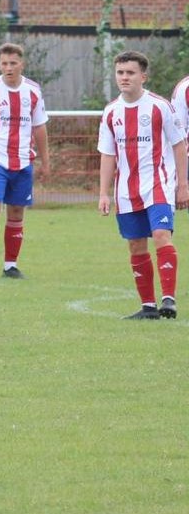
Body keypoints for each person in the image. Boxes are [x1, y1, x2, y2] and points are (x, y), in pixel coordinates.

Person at [97, 50, 188, 320]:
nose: (124, 77)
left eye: (130, 73)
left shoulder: (160, 107)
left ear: (143, 76)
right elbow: (107, 154)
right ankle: (148, 307)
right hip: (125, 191)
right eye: (120, 73)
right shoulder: (111, 112)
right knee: (136, 246)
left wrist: (183, 184)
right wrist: (103, 193)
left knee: (161, 236)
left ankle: (168, 299)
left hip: (158, 185)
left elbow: (179, 145)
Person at [0, 43, 48, 278]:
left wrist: (46, 160)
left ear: (22, 64)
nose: (8, 68)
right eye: (4, 64)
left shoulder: (33, 91)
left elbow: (40, 126)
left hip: (23, 161)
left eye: (13, 63)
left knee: (16, 212)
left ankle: (10, 266)